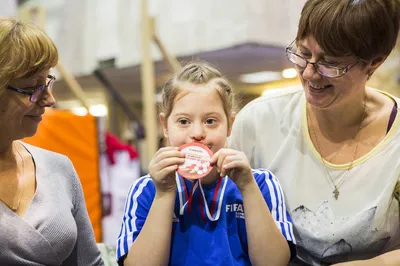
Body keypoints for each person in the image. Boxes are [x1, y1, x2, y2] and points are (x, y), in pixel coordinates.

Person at [229, 0, 400, 265]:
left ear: (373, 63)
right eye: (303, 53)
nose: (310, 73)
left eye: (330, 63)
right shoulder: (258, 122)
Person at [116, 61, 296, 266]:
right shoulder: (146, 190)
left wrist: (248, 188)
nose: (198, 133)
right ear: (165, 126)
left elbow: (274, 263)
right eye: (183, 121)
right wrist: (164, 194)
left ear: (230, 125)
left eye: (210, 121)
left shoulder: (261, 183)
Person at [0, 18, 104, 265]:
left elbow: (90, 263)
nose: (49, 99)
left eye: (47, 82)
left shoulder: (59, 168)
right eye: (33, 87)